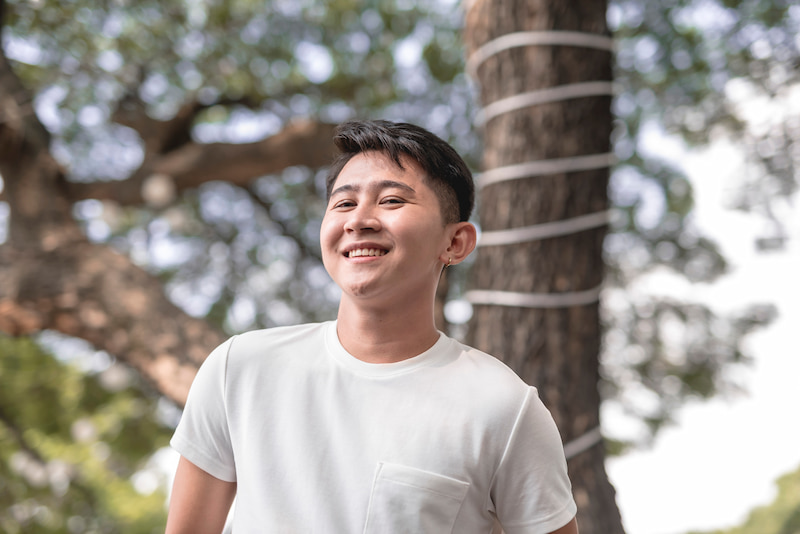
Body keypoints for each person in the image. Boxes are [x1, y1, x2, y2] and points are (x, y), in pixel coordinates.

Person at [165, 119, 579, 534]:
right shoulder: (239, 369)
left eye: (392, 201)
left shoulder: (503, 407)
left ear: (454, 243)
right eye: (343, 204)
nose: (359, 220)